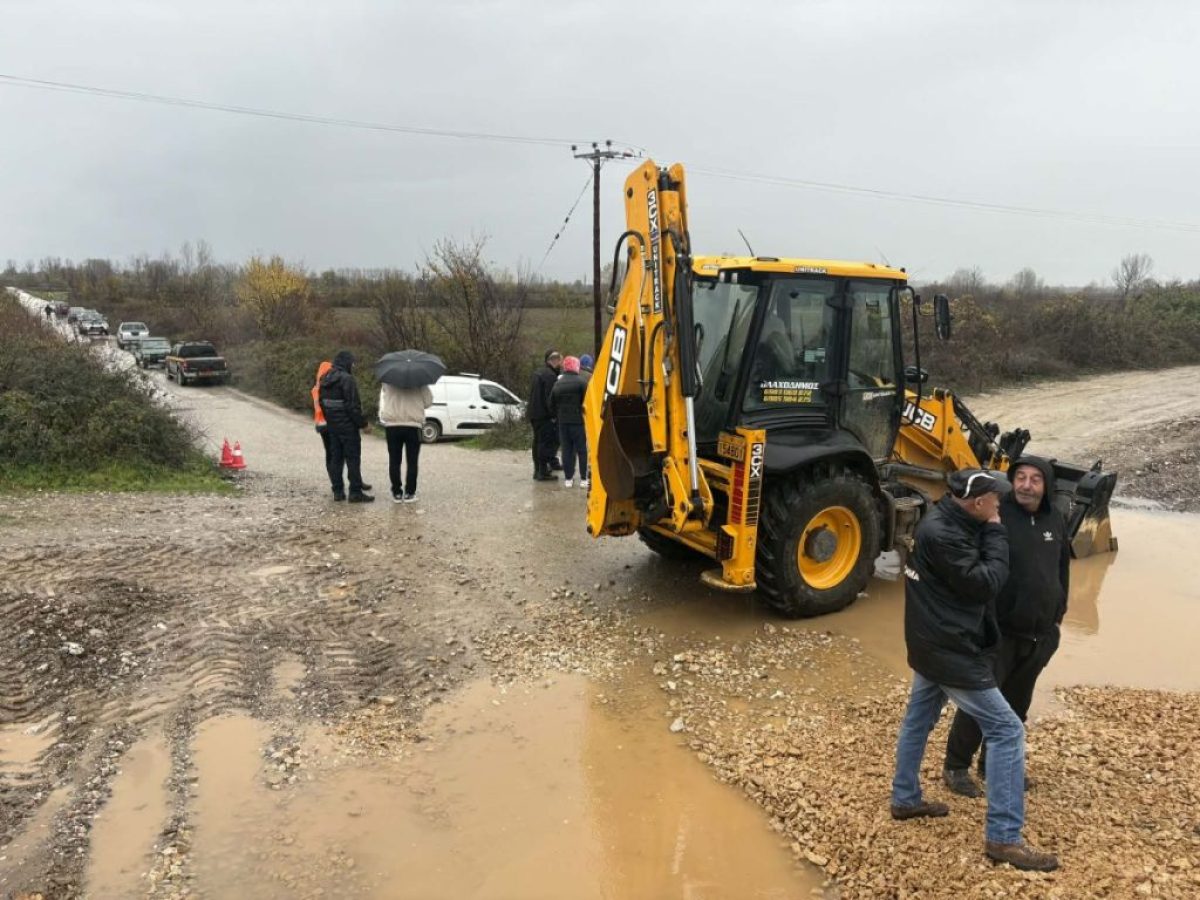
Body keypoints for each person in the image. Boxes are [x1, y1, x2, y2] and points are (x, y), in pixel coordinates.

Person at [890, 468, 1058, 872]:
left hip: (929, 640)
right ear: (979, 502)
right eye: (995, 501)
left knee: (918, 718)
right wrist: (998, 533)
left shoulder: (948, 519)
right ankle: (1004, 838)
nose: (1001, 506)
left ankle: (905, 798)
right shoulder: (946, 535)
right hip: (951, 648)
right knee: (1007, 729)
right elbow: (986, 583)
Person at [943, 456, 1070, 796]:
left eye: (1035, 480)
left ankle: (993, 764)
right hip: (999, 632)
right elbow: (971, 567)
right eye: (1021, 478)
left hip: (1039, 635)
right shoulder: (996, 515)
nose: (1026, 485)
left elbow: (1061, 569)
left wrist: (1058, 613)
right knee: (981, 704)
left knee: (1016, 705)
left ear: (1046, 486)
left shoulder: (1055, 519)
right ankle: (956, 766)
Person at [318, 350, 373, 503]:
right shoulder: (347, 380)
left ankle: (338, 491)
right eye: (352, 363)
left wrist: (331, 421)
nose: (353, 366)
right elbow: (352, 407)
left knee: (336, 459)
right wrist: (363, 424)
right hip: (348, 428)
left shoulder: (324, 378)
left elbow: (321, 403)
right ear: (347, 362)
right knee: (353, 459)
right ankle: (355, 492)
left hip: (333, 428)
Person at [379, 380, 433, 503]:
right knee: (412, 461)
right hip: (413, 425)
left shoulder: (388, 381)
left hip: (392, 425)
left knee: (394, 460)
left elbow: (385, 396)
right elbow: (428, 402)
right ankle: (410, 493)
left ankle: (397, 493)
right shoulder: (420, 381)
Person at [550, 355, 589, 488]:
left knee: (567, 451)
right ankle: (584, 479)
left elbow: (551, 404)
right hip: (578, 422)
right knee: (582, 450)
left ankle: (568, 479)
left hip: (563, 423)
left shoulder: (557, 384)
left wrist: (557, 416)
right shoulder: (582, 382)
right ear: (576, 366)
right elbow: (587, 402)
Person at [527, 350, 562, 481]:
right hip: (544, 416)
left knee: (537, 442)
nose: (560, 363)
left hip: (533, 413)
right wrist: (553, 415)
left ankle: (537, 470)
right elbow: (550, 399)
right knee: (544, 443)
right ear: (553, 361)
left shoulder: (538, 373)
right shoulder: (550, 376)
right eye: (559, 361)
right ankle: (542, 472)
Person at [312, 360, 333, 479]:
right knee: (333, 453)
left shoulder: (316, 388)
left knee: (329, 453)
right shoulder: (326, 388)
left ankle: (333, 478)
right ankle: (334, 478)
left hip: (320, 424)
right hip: (328, 423)